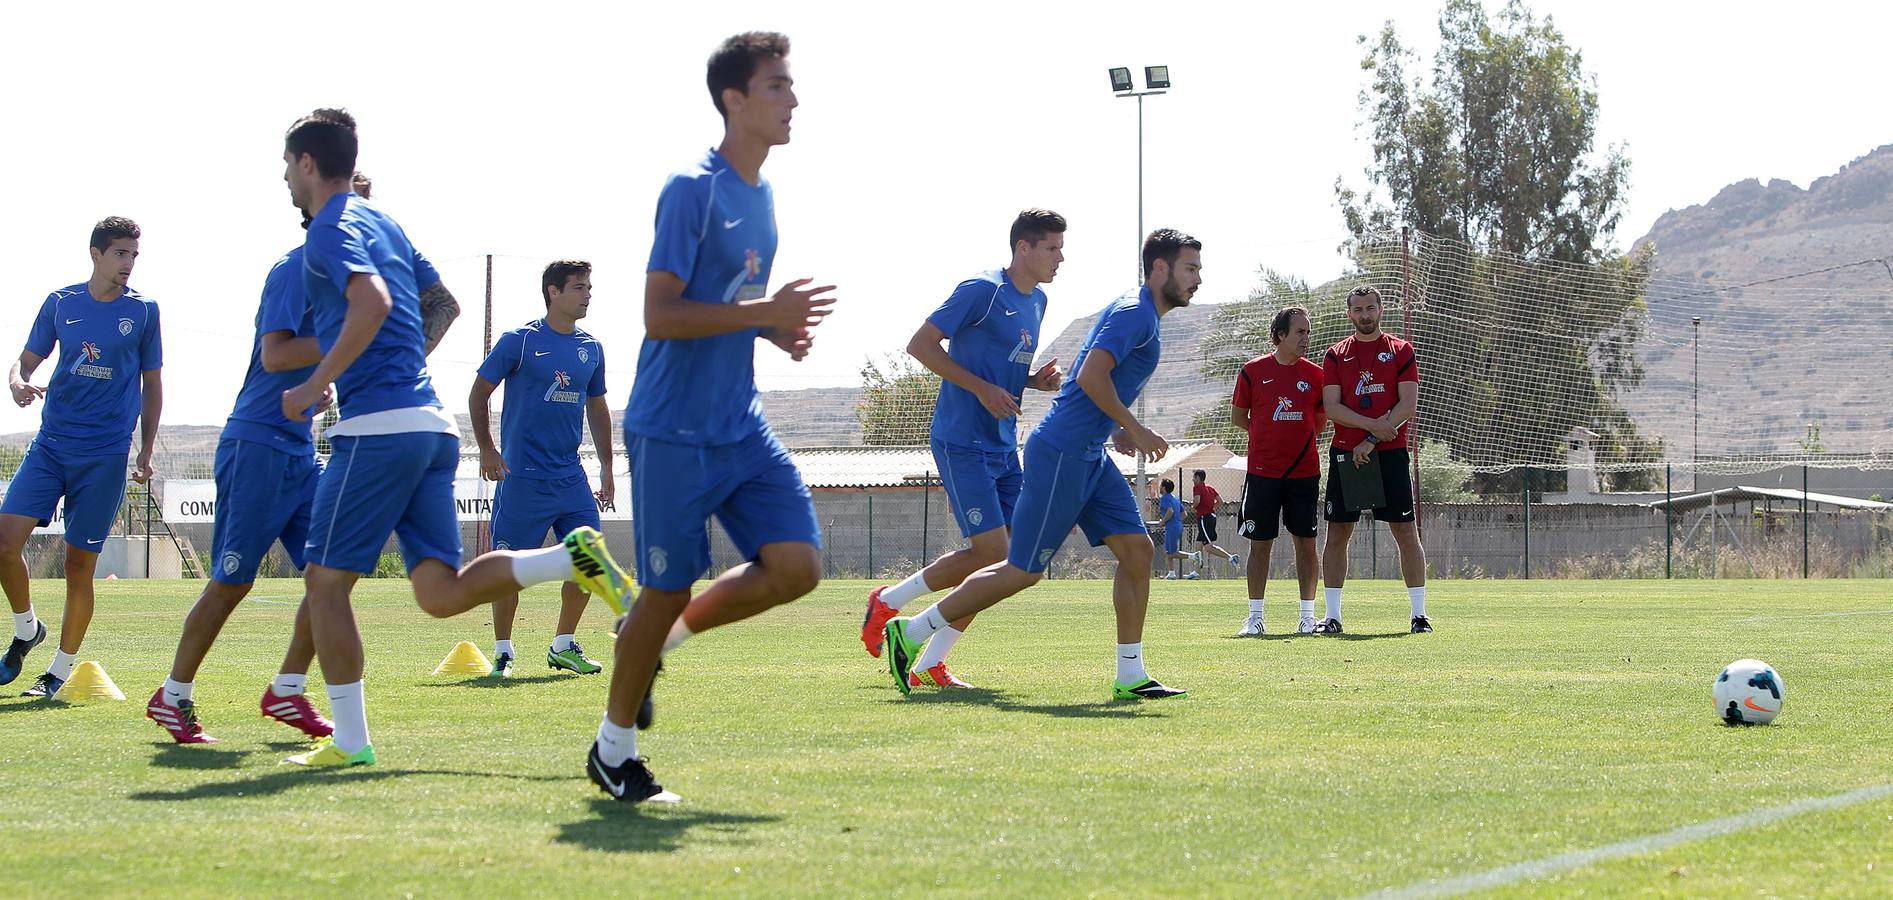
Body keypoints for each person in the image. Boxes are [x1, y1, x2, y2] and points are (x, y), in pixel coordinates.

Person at [277, 108, 630, 768]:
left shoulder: (330, 226)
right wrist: (398, 364)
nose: (284, 185)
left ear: (305, 164)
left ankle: (348, 744)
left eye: (285, 169)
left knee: (325, 585)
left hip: (376, 429)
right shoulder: (384, 222)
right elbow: (442, 306)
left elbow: (374, 304)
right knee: (439, 593)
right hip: (430, 427)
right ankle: (568, 560)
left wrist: (319, 382)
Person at [588, 32, 836, 804]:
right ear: (734, 99)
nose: (792, 99)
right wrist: (764, 310)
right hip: (671, 431)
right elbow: (659, 315)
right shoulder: (690, 189)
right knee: (662, 585)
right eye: (776, 86)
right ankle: (613, 752)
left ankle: (660, 638)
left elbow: (724, 308)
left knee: (797, 566)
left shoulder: (761, 197)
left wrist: (772, 329)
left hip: (740, 425)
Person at [883, 229, 1204, 702]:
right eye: (1190, 268)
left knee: (1138, 552)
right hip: (1061, 453)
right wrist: (1134, 428)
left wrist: (1112, 428)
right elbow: (1091, 373)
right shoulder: (1136, 312)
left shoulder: (1140, 315)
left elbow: (1081, 380)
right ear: (1161, 269)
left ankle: (1131, 673)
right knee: (1022, 569)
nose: (1198, 279)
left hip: (1089, 452)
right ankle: (911, 632)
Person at [145, 179, 398, 742]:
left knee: (331, 575)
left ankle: (287, 690)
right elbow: (275, 351)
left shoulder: (344, 285)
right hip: (257, 445)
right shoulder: (294, 270)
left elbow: (314, 359)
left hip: (299, 450)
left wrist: (324, 380)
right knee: (233, 582)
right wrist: (347, 339)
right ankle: (172, 695)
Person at [858, 209, 1065, 689]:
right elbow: (922, 345)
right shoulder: (981, 290)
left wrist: (1031, 381)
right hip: (961, 439)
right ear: (1023, 248)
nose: (1060, 258)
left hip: (1001, 445)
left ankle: (923, 650)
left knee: (1012, 563)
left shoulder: (1039, 302)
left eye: (1060, 248)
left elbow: (999, 369)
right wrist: (980, 390)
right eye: (1052, 248)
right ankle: (898, 615)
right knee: (993, 554)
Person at [0, 217, 162, 698]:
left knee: (78, 566)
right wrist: (16, 382)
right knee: (5, 543)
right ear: (95, 253)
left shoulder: (145, 311)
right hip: (51, 446)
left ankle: (57, 672)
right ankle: (27, 628)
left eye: (134, 255)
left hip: (105, 455)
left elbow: (153, 386)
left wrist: (146, 449)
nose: (128, 264)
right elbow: (25, 360)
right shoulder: (60, 303)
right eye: (120, 254)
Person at [470, 260, 615, 677]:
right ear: (554, 292)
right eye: (579, 287)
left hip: (571, 478)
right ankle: (503, 651)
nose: (588, 294)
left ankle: (563, 645)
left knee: (590, 561)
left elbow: (598, 406)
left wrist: (606, 466)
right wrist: (487, 450)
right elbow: (478, 395)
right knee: (508, 567)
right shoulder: (519, 341)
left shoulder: (592, 347)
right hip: (522, 480)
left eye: (589, 286)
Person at [1316, 286, 1430, 634]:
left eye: (1370, 308)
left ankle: (1419, 615)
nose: (1365, 315)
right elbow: (1333, 407)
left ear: (1381, 310)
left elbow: (1407, 405)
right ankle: (1332, 616)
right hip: (1347, 455)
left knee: (1405, 532)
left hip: (1391, 453)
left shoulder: (1400, 350)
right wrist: (1370, 429)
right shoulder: (1336, 354)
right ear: (1349, 314)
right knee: (1337, 533)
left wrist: (1372, 438)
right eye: (1358, 310)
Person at [1230, 305, 1325, 636]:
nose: (1306, 338)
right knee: (1260, 544)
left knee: (1306, 544)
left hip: (1304, 472)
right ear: (1280, 335)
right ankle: (1255, 618)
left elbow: (1320, 422)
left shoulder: (1316, 375)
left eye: (1308, 332)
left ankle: (1307, 617)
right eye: (1300, 332)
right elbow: (1239, 418)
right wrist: (1265, 438)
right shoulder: (1252, 371)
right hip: (1262, 473)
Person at [1188, 469, 1237, 574]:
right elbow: (1221, 501)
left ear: (1198, 478)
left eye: (1194, 477)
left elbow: (1197, 501)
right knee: (1198, 545)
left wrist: (1193, 507)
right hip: (1211, 517)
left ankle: (1231, 558)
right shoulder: (1210, 488)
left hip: (1204, 519)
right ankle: (1196, 573)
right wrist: (1212, 508)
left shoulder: (1197, 487)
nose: (1192, 480)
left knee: (1208, 548)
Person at [1154, 479, 1192, 579]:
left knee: (1172, 553)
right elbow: (1184, 514)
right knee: (1168, 552)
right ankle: (1171, 573)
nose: (1160, 488)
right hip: (1177, 526)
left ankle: (1194, 556)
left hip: (1171, 527)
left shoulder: (1165, 498)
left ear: (1164, 488)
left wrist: (1163, 521)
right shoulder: (1175, 498)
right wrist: (1176, 521)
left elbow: (1170, 511)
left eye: (1161, 486)